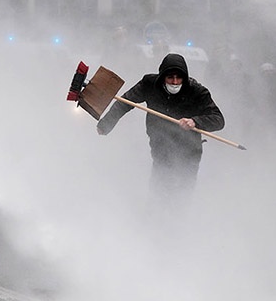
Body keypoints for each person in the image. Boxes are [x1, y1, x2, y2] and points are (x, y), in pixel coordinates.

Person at [96, 53, 225, 197]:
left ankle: (180, 215)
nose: (175, 82)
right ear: (162, 77)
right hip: (160, 145)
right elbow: (125, 102)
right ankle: (155, 214)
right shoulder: (149, 84)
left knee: (183, 191)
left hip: (189, 150)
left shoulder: (197, 91)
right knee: (159, 187)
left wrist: (195, 121)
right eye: (170, 77)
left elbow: (218, 119)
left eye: (179, 78)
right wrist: (106, 124)